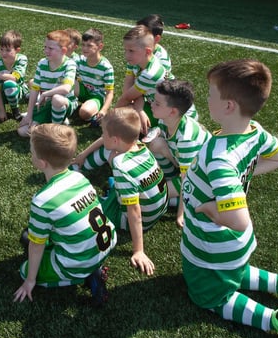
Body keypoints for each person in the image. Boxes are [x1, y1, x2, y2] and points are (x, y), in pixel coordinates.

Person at [181, 59, 278, 338]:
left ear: (228, 106)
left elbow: (238, 220)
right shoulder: (255, 131)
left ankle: (274, 319)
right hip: (233, 247)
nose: (206, 98)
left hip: (213, 243)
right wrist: (239, 178)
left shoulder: (219, 157)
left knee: (210, 296)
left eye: (211, 94)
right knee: (230, 273)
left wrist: (212, 209)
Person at [13, 124, 116, 306]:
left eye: (32, 152)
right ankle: (90, 267)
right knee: (29, 236)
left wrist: (30, 280)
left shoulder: (42, 200)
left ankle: (87, 276)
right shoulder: (80, 177)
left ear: (42, 163)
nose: (30, 154)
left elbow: (36, 247)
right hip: (106, 243)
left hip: (78, 261)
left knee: (25, 268)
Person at [73, 108, 168, 276]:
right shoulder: (141, 147)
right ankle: (79, 167)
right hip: (157, 210)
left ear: (115, 139)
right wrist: (84, 154)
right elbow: (106, 141)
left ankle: (76, 173)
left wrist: (138, 250)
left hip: (134, 219)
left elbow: (134, 212)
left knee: (85, 205)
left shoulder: (122, 166)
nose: (101, 135)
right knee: (109, 152)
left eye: (103, 132)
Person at [148, 79, 211, 227]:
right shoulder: (166, 120)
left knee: (154, 195)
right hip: (186, 166)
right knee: (156, 144)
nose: (151, 104)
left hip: (201, 177)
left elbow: (188, 179)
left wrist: (181, 214)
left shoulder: (187, 138)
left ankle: (193, 202)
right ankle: (171, 187)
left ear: (173, 111)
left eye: (157, 103)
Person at [115, 25, 197, 137]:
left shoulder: (150, 73)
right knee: (126, 115)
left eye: (131, 51)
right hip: (158, 105)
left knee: (123, 120)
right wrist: (139, 109)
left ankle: (157, 129)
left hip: (178, 115)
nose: (126, 55)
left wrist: (109, 118)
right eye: (125, 50)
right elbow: (130, 92)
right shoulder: (137, 61)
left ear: (147, 51)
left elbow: (127, 97)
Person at [17, 30, 78, 138]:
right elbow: (35, 89)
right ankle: (55, 124)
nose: (46, 51)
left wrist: (45, 94)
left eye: (50, 48)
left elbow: (66, 88)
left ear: (63, 50)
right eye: (45, 47)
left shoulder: (70, 64)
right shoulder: (42, 63)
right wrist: (29, 114)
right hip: (45, 103)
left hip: (65, 102)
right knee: (22, 131)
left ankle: (56, 130)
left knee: (57, 99)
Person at [0, 30, 29, 123]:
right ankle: (3, 106)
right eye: (1, 49)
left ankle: (16, 112)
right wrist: (2, 111)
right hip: (2, 93)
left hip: (19, 89)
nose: (3, 53)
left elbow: (14, 78)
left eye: (8, 50)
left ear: (17, 50)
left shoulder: (22, 59)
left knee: (9, 84)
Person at [75, 28, 115, 125]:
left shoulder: (106, 67)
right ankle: (69, 104)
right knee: (67, 79)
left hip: (97, 96)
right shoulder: (79, 60)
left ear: (100, 47)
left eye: (89, 45)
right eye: (83, 45)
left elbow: (110, 92)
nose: (84, 48)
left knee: (84, 113)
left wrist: (104, 110)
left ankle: (93, 112)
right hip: (83, 90)